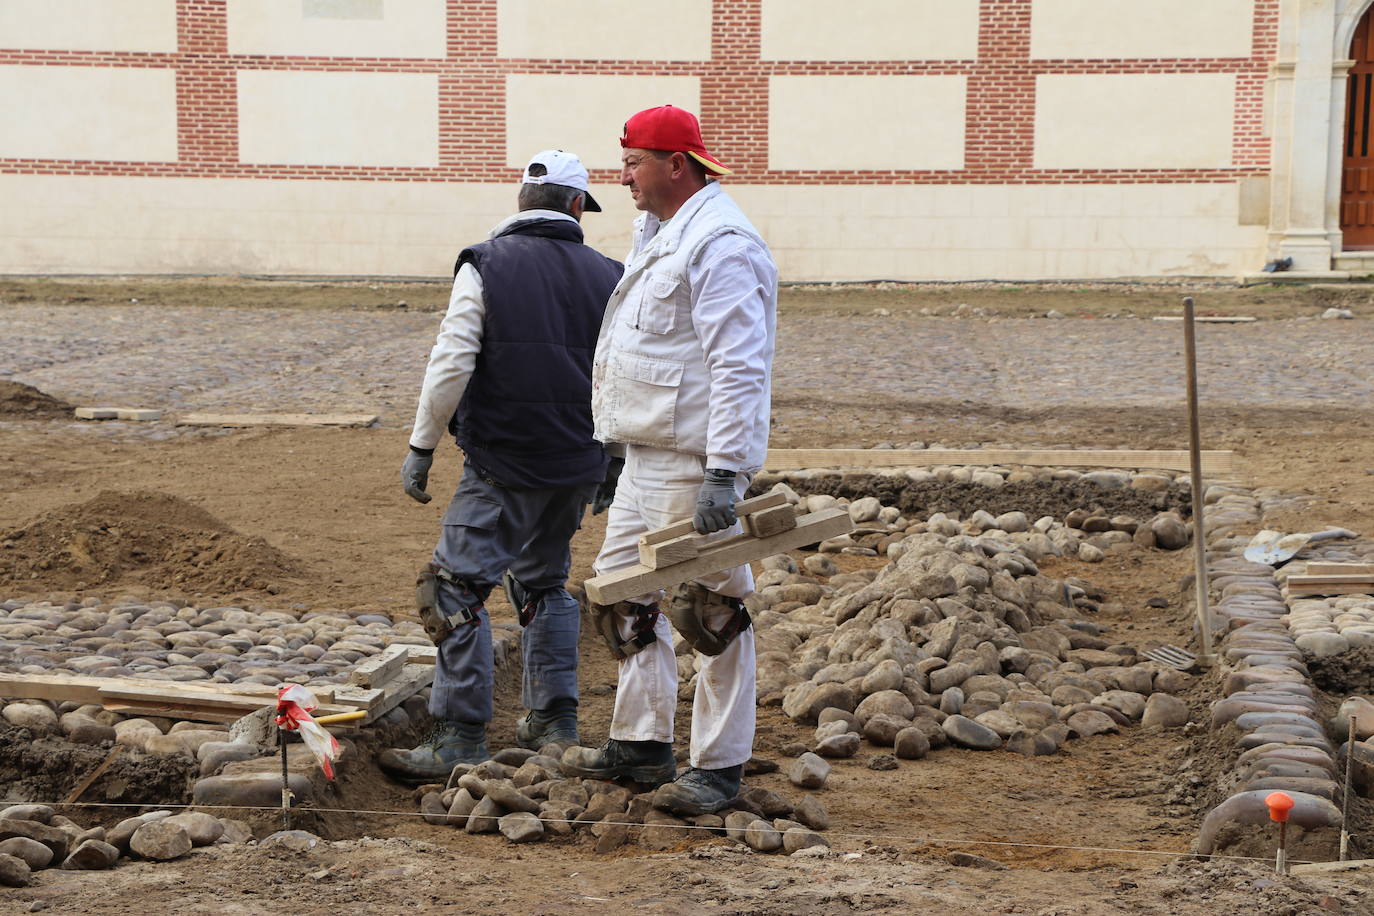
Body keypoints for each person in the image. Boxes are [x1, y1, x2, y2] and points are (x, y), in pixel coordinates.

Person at [379, 149, 624, 781]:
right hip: (577, 461)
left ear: (521, 201)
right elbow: (629, 375)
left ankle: (460, 736)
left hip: (503, 461)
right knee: (543, 584)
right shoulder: (612, 275)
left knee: (454, 588)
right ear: (577, 206)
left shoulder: (485, 263)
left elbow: (452, 360)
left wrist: (422, 445)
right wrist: (613, 461)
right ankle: (554, 722)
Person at [561, 106, 778, 816]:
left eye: (633, 163)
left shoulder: (720, 244)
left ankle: (718, 766)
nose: (621, 178)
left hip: (694, 464)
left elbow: (739, 364)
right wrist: (617, 451)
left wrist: (726, 469)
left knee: (708, 609)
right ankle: (642, 744)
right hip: (650, 456)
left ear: (675, 165)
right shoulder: (662, 234)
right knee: (624, 596)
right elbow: (645, 357)